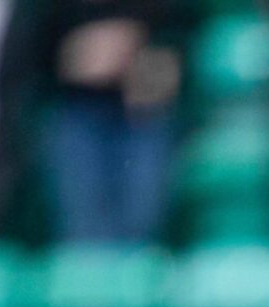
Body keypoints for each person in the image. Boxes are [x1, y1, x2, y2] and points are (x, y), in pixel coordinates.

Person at [20, 0, 190, 244]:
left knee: (142, 232)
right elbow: (26, 35)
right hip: (75, 104)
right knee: (85, 234)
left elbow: (183, 25)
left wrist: (148, 46)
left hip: (147, 108)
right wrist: (72, 50)